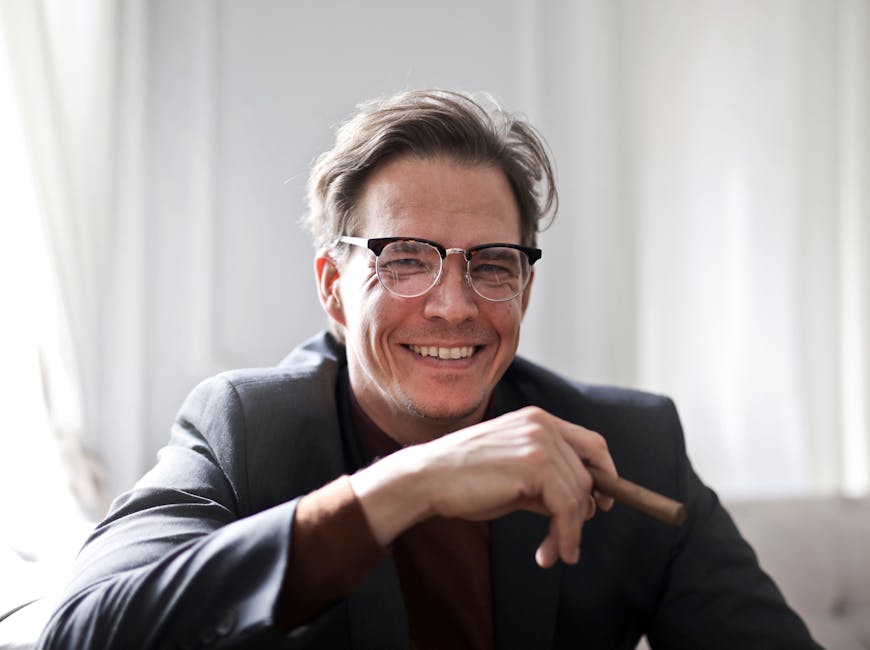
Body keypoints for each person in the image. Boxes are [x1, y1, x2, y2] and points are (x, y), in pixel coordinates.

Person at [37, 89, 820, 650]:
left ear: (525, 287)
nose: (452, 305)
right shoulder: (246, 428)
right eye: (405, 259)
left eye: (493, 264)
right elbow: (80, 631)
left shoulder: (634, 444)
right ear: (333, 288)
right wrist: (414, 483)